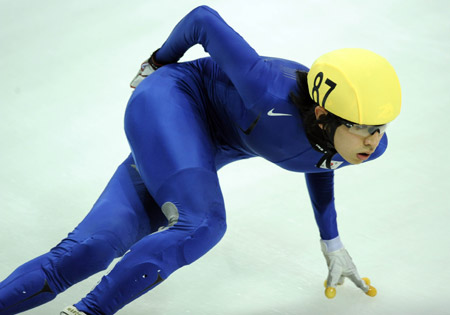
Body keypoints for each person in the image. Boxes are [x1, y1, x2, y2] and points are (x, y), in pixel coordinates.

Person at [0, 5, 401, 315]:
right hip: (172, 101)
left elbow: (321, 161)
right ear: (321, 115)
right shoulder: (266, 91)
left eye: (381, 127)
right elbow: (203, 19)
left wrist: (331, 242)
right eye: (364, 128)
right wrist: (158, 61)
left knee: (94, 247)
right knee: (204, 223)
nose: (374, 140)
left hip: (194, 149)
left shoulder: (363, 146)